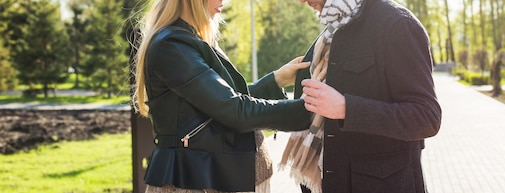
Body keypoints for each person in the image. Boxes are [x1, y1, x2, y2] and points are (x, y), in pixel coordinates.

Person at [131, 1, 312, 192]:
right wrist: (310, 110)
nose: (223, 1)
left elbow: (222, 103)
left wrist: (276, 80)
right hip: (195, 183)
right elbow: (234, 111)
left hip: (214, 180)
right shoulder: (172, 46)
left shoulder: (191, 39)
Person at [279, 0, 442, 192]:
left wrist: (347, 109)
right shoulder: (332, 31)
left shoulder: (398, 24)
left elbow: (427, 117)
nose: (301, 1)